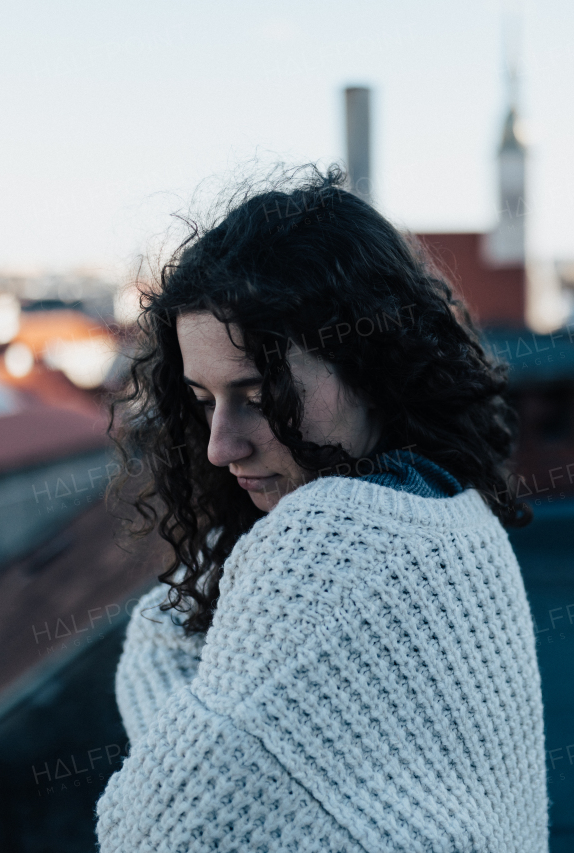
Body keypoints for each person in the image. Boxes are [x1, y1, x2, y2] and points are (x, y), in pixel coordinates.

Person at [94, 167, 549, 851]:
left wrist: (169, 720)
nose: (220, 445)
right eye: (201, 400)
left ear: (370, 365)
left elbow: (150, 833)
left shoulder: (329, 536)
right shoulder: (454, 507)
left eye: (258, 395)